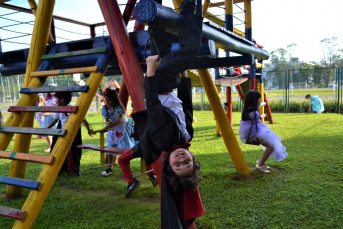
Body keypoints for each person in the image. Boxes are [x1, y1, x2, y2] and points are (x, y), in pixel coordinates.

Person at [239, 90, 288, 174]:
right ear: (254, 100)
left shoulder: (247, 109)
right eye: (259, 99)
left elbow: (255, 121)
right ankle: (260, 164)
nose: (260, 100)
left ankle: (261, 162)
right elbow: (257, 121)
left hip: (250, 131)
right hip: (252, 133)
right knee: (271, 147)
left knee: (270, 145)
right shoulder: (253, 111)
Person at [47, 92, 86, 176]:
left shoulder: (70, 109)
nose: (55, 101)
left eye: (56, 99)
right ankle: (60, 169)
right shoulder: (59, 109)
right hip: (62, 134)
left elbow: (81, 118)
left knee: (72, 152)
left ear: (62, 100)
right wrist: (47, 128)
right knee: (58, 150)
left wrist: (88, 128)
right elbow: (55, 120)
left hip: (71, 134)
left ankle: (73, 169)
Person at [100, 88, 136, 177]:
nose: (107, 103)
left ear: (114, 99)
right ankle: (110, 167)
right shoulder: (105, 108)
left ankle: (125, 166)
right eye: (105, 100)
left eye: (109, 100)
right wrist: (108, 123)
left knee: (124, 148)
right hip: (113, 129)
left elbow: (119, 120)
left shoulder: (118, 107)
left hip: (123, 128)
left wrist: (108, 126)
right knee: (110, 147)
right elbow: (106, 120)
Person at [42, 85, 56, 152]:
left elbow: (57, 109)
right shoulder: (47, 98)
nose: (52, 91)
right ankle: (51, 146)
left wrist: (49, 113)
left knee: (56, 132)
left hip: (55, 116)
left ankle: (56, 146)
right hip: (47, 117)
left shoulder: (57, 98)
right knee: (46, 131)